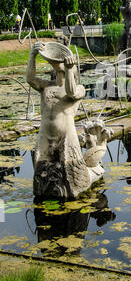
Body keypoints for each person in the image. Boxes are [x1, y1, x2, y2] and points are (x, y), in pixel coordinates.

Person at [26, 41, 89, 198]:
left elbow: (71, 92)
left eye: (69, 65)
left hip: (66, 138)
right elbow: (30, 79)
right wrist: (33, 56)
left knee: (72, 180)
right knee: (41, 177)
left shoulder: (80, 89)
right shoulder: (46, 86)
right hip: (45, 136)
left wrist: (68, 70)